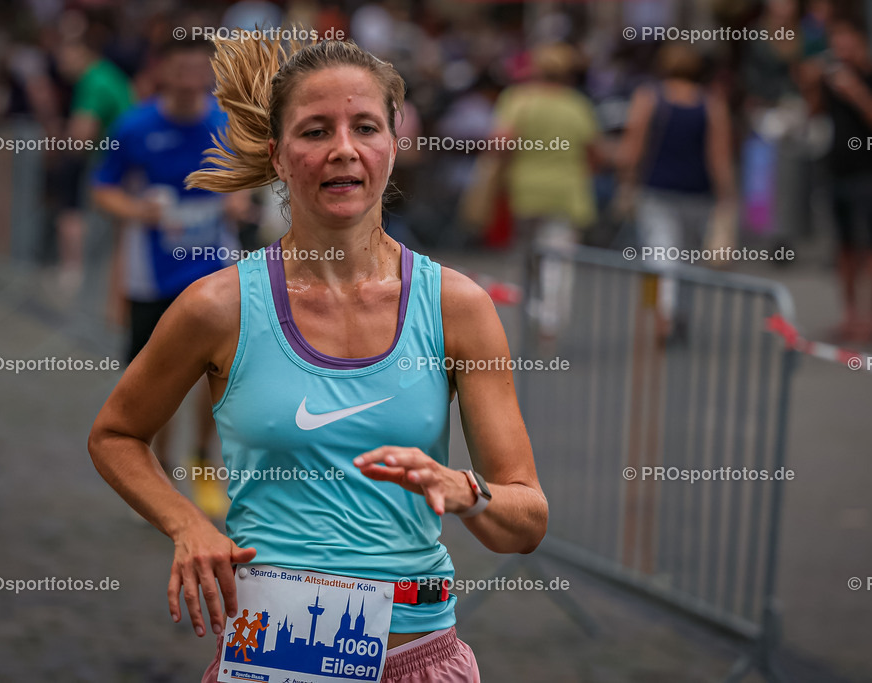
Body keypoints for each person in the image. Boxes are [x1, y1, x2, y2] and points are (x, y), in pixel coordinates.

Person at [87, 37, 547, 683]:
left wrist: (465, 490)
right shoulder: (218, 305)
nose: (343, 148)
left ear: (393, 144)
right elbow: (116, 433)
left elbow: (524, 522)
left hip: (419, 654)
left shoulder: (457, 306)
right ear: (276, 153)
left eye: (365, 127)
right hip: (275, 656)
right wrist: (187, 525)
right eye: (314, 130)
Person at [91, 37, 249, 519]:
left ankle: (203, 460)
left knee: (217, 372)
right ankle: (156, 468)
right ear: (164, 71)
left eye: (198, 69)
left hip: (214, 266)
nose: (189, 79)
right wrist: (137, 210)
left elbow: (248, 180)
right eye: (180, 68)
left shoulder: (226, 123)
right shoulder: (135, 126)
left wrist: (239, 198)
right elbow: (103, 189)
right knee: (152, 379)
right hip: (151, 274)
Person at [619, 42, 735, 340]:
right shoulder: (710, 102)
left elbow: (634, 145)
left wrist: (627, 181)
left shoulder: (649, 97)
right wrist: (727, 195)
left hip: (656, 190)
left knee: (660, 253)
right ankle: (677, 312)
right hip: (698, 192)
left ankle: (663, 314)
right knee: (688, 257)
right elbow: (719, 154)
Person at [491, 42, 602, 336]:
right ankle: (549, 322)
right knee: (558, 261)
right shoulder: (577, 104)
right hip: (566, 192)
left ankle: (529, 311)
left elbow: (501, 143)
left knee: (526, 259)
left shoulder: (518, 99)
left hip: (524, 190)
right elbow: (593, 152)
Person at [800, 15, 872, 343]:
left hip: (869, 174)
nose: (840, 49)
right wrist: (811, 83)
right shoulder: (830, 77)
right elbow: (813, 114)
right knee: (843, 248)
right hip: (836, 171)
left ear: (861, 42)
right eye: (836, 41)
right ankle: (850, 316)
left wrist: (856, 91)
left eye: (846, 41)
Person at [52, 12, 136, 296]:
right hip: (124, 164)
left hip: (111, 167)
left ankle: (76, 278)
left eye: (64, 53)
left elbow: (79, 138)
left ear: (81, 51)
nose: (59, 61)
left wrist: (55, 144)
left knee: (75, 212)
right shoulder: (107, 74)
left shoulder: (93, 80)